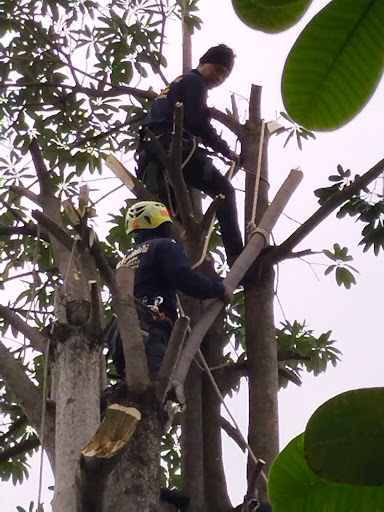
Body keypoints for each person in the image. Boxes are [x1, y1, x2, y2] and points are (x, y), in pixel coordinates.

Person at [136, 44, 243, 266]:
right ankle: (236, 256)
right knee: (224, 190)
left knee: (179, 222)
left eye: (224, 74)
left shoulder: (178, 83)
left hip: (151, 152)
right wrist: (226, 150)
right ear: (202, 63)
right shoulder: (195, 82)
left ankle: (184, 265)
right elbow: (198, 122)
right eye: (217, 69)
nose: (219, 77)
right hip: (170, 146)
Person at [106, 201, 233, 381]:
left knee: (133, 394)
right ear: (163, 224)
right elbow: (186, 280)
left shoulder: (125, 259)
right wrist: (219, 289)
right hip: (150, 331)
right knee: (154, 398)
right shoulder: (164, 245)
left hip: (119, 338)